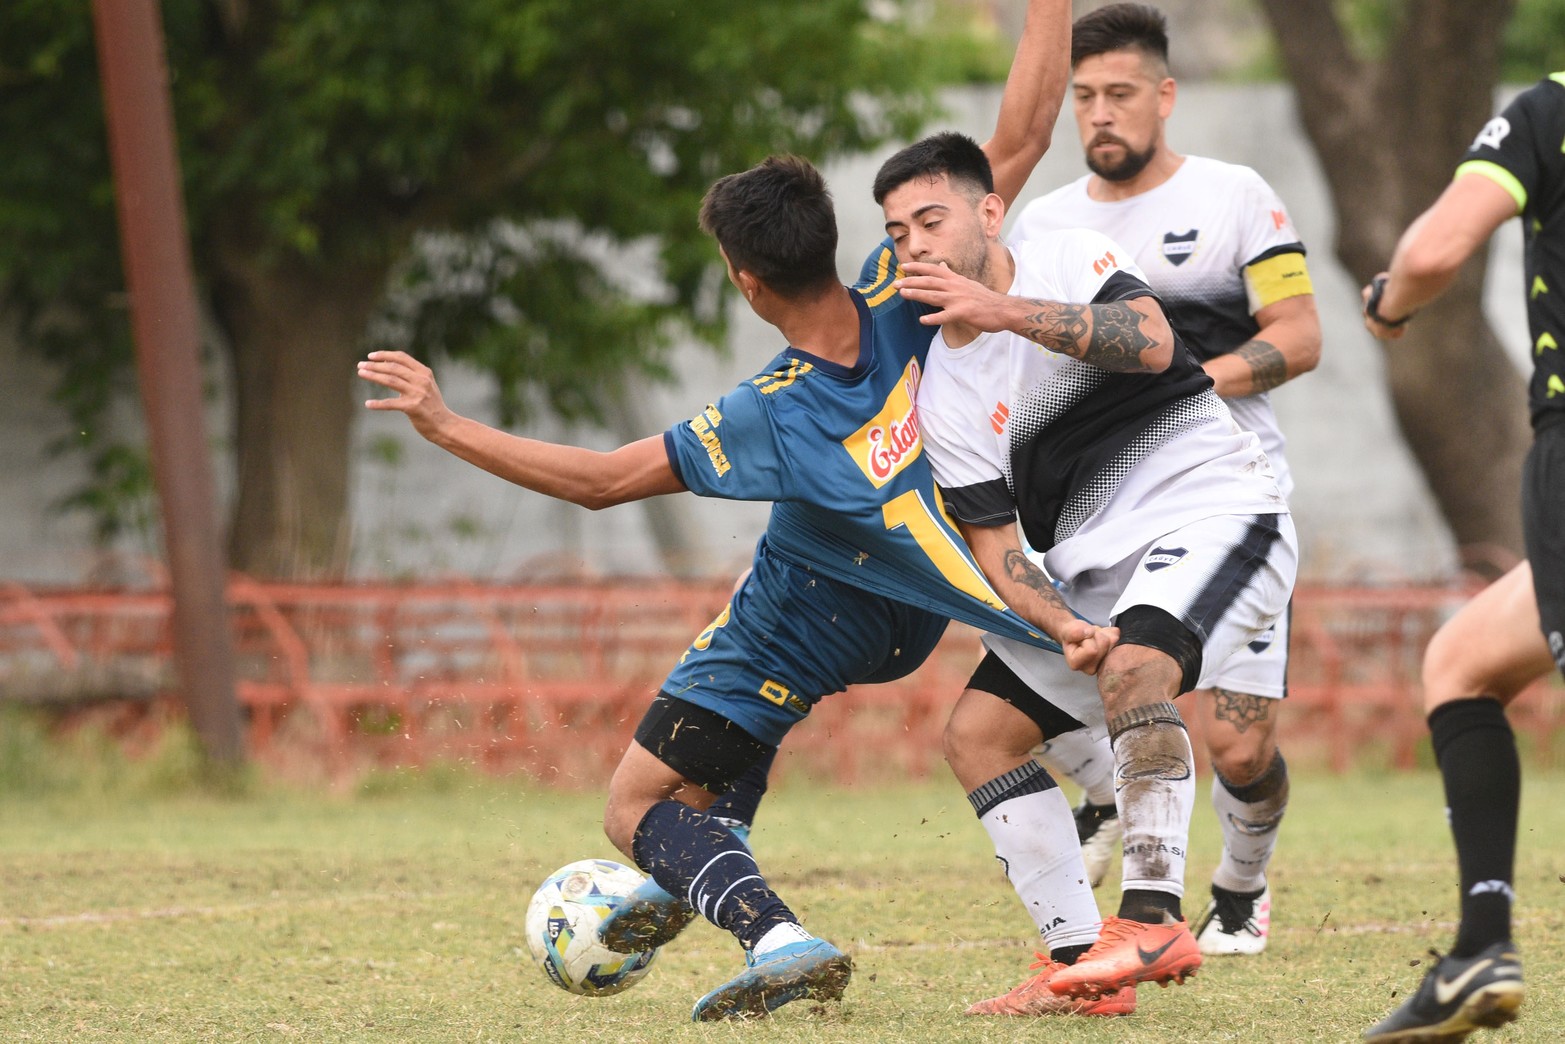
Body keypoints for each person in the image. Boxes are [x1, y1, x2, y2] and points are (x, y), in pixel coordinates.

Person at [357, 1, 1121, 1021]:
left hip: (796, 623)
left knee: (633, 807)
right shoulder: (909, 286)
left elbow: (596, 480)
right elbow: (1020, 137)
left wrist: (446, 424)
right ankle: (703, 873)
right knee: (704, 792)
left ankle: (773, 933)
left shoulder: (763, 413)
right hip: (912, 613)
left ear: (746, 281)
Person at [880, 129, 1298, 1001]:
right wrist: (1059, 622)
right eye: (895, 233)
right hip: (1092, 578)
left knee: (1139, 672)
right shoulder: (941, 389)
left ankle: (1150, 925)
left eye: (930, 219)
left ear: (989, 213)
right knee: (978, 736)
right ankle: (1082, 966)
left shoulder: (1064, 253)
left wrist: (1002, 311)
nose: (914, 245)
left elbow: (1148, 343)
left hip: (1215, 507)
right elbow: (993, 541)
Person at [1008, 1, 1323, 958]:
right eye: (1083, 95)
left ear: (1164, 96)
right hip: (1094, 521)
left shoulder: (1233, 196)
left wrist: (1173, 386)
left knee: (1239, 748)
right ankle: (1110, 800)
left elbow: (1299, 338)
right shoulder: (1045, 222)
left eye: (1120, 93)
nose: (1099, 112)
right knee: (1036, 670)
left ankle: (1240, 881)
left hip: (1223, 498)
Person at [1356, 73, 1565, 1044]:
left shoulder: (1549, 106)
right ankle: (1479, 942)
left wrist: (1390, 302)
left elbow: (1435, 246)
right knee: (1460, 661)